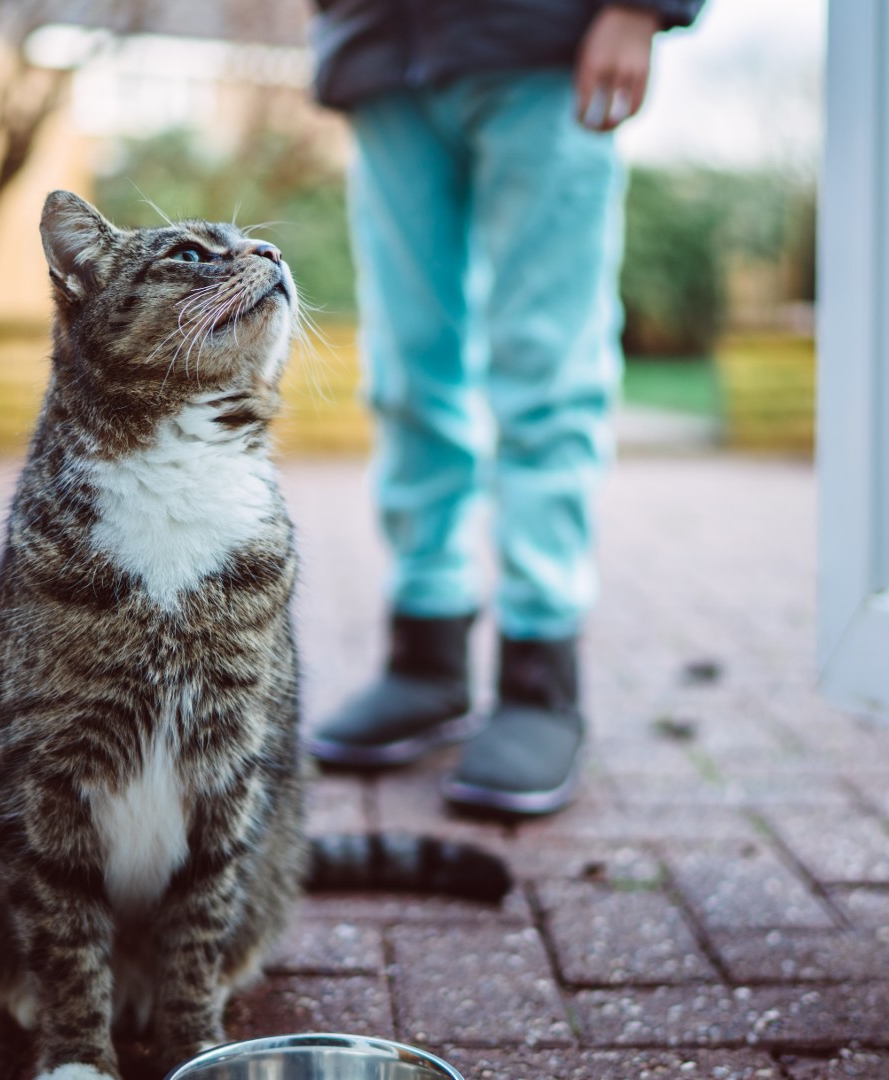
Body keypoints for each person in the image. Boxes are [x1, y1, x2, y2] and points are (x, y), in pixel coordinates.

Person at [302, 0, 704, 815]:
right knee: (408, 370)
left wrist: (641, 7)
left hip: (547, 42)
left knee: (546, 372)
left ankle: (539, 677)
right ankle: (426, 653)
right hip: (380, 51)